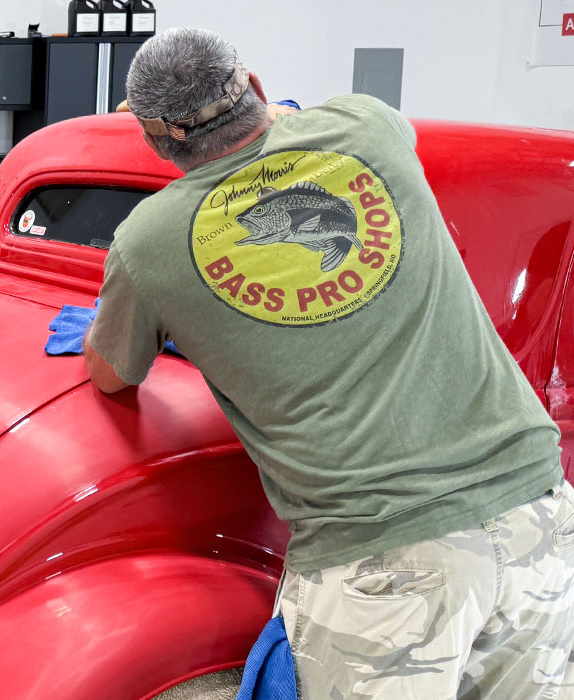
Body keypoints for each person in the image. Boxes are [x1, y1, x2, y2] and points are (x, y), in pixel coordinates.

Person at [85, 27, 574, 699]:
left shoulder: (146, 242)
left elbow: (113, 374)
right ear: (256, 88)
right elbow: (307, 129)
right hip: (535, 511)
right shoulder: (367, 125)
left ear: (152, 137)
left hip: (384, 560)